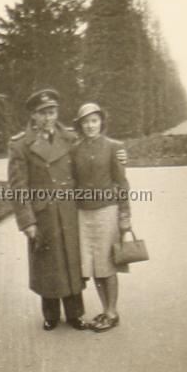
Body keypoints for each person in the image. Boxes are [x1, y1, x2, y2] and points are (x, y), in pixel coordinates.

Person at [8, 88, 88, 331]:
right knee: (47, 262)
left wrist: (119, 154)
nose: (48, 117)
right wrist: (27, 221)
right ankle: (51, 314)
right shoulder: (20, 144)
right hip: (43, 214)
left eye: (52, 111)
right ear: (33, 116)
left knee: (71, 260)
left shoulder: (71, 137)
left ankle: (75, 314)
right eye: (42, 113)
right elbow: (18, 186)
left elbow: (90, 160)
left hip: (69, 210)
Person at [71, 103, 131, 332]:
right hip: (83, 213)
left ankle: (112, 312)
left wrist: (125, 216)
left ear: (101, 122)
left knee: (108, 263)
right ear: (80, 125)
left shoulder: (115, 147)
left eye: (94, 120)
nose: (90, 125)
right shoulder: (74, 149)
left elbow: (122, 183)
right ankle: (105, 310)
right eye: (85, 122)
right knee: (95, 266)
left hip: (107, 211)